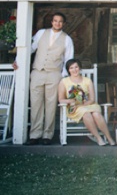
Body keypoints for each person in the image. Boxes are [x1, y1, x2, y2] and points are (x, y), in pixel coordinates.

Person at [15, 12, 74, 145]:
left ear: (63, 24)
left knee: (51, 105)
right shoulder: (41, 33)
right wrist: (17, 60)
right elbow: (29, 48)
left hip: (54, 74)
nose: (57, 23)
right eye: (55, 21)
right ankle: (35, 134)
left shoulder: (67, 39)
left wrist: (64, 76)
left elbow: (68, 59)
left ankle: (47, 135)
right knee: (35, 103)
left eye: (60, 21)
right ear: (52, 22)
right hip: (37, 72)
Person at [57, 58, 115, 146]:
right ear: (68, 70)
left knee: (96, 114)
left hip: (89, 104)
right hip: (74, 108)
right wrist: (71, 101)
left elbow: (92, 99)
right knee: (86, 114)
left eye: (76, 67)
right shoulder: (64, 82)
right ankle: (99, 138)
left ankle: (109, 138)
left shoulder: (87, 80)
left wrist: (82, 104)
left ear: (79, 68)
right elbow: (61, 99)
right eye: (71, 68)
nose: (74, 70)